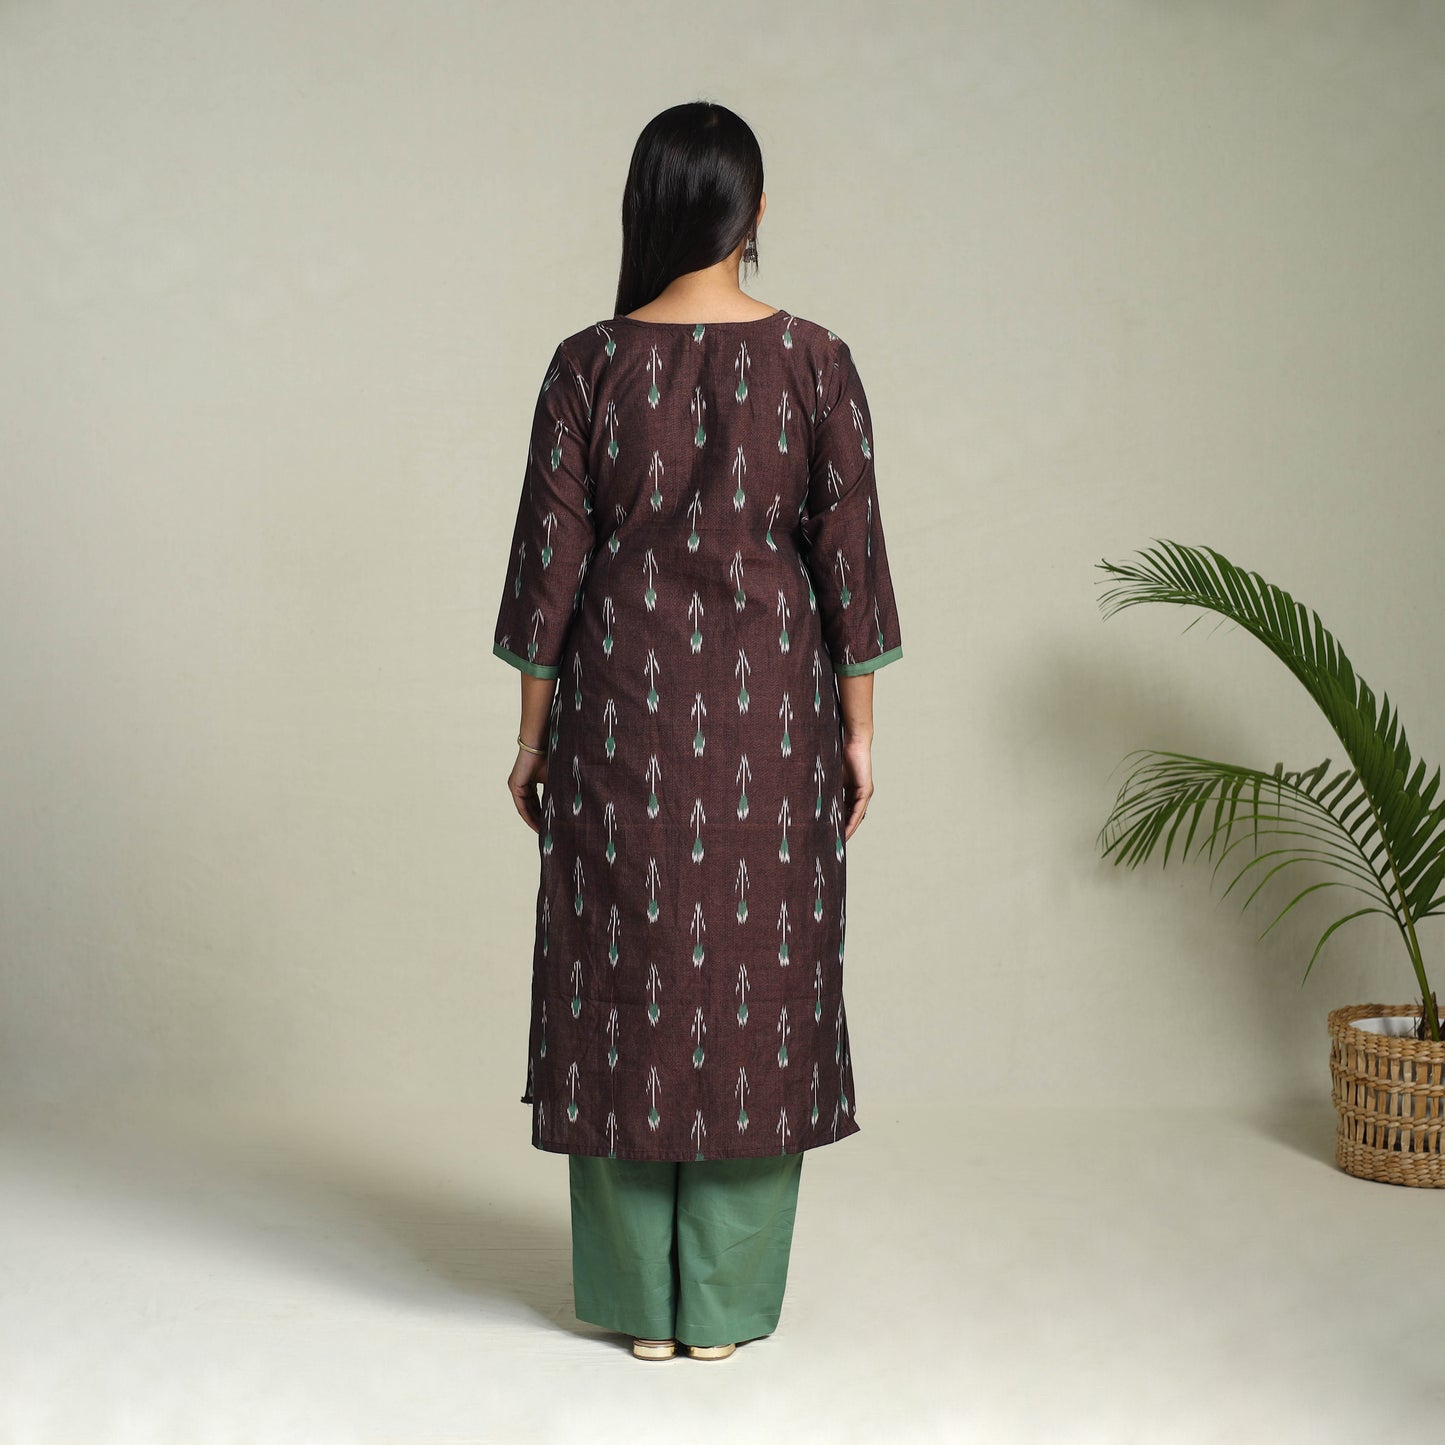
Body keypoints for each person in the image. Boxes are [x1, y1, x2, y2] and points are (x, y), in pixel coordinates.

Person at [491, 100, 904, 1362]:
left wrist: (530, 738)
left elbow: (548, 570)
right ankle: (721, 1308)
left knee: (620, 979)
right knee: (754, 982)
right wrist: (858, 732)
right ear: (755, 211)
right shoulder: (816, 361)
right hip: (771, 719)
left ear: (646, 207)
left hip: (619, 713)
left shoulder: (587, 363)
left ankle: (639, 1308)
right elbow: (850, 561)